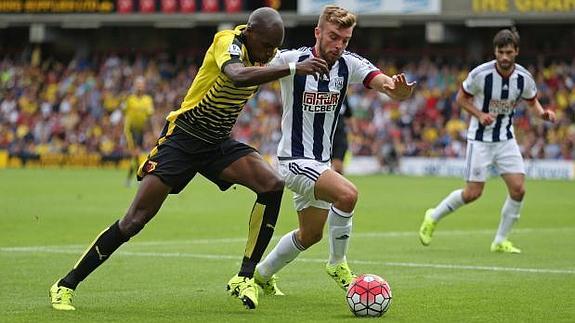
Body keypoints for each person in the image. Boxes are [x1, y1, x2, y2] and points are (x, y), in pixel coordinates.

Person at [49, 7, 330, 311]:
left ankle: (245, 276)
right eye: (266, 46)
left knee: (272, 184)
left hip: (216, 144)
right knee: (134, 221)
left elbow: (294, 59)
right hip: (182, 140)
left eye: (275, 48)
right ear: (250, 32)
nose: (269, 54)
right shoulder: (228, 41)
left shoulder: (264, 54)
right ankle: (65, 284)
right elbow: (236, 76)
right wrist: (291, 69)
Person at [252, 5, 415, 296]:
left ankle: (262, 274)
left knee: (310, 234)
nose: (338, 45)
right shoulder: (292, 60)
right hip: (293, 160)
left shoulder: (348, 64)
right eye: (333, 37)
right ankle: (338, 262)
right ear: (318, 32)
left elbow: (382, 82)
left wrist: (396, 91)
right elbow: (256, 69)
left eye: (345, 40)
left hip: (321, 163)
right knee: (348, 194)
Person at [418, 28, 556, 253]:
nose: (504, 56)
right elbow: (460, 99)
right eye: (500, 52)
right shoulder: (480, 74)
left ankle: (500, 240)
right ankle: (433, 215)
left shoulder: (524, 78)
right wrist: (479, 114)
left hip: (505, 139)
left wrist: (543, 114)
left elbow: (532, 102)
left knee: (519, 190)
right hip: (480, 140)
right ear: (495, 51)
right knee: (473, 193)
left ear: (516, 52)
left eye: (508, 52)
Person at [123, 76, 154, 187]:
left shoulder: (147, 100)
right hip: (131, 130)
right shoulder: (130, 99)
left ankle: (132, 179)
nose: (140, 87)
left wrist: (150, 133)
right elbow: (125, 114)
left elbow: (149, 117)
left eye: (142, 84)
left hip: (141, 131)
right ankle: (139, 179)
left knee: (136, 155)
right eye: (138, 84)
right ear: (135, 86)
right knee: (136, 154)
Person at [331, 96, 354, 174]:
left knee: (338, 165)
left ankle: (337, 184)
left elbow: (349, 115)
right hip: (323, 135)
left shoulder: (343, 96)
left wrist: (354, 130)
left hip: (339, 135)